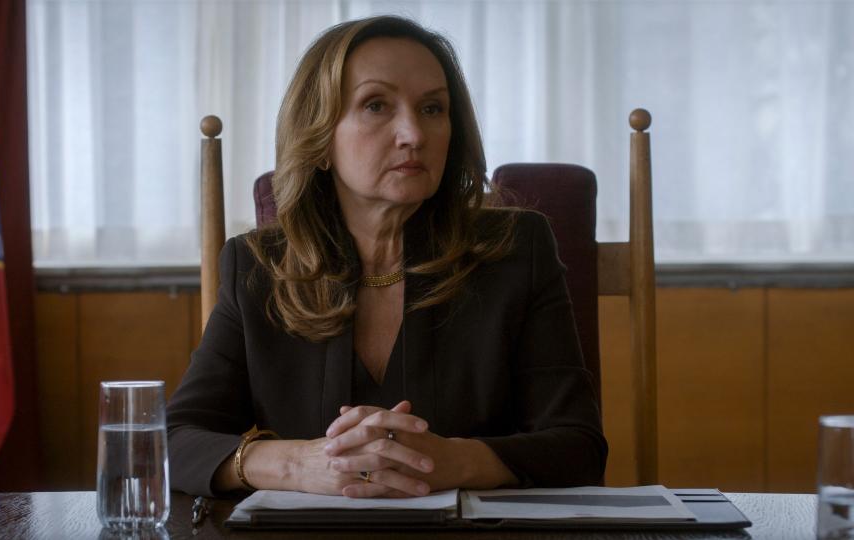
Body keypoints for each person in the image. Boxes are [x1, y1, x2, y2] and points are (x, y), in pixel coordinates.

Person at [167, 15, 607, 499]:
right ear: (319, 138)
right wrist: (298, 464)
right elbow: (175, 442)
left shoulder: (517, 249)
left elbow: (578, 448)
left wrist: (455, 461)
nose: (413, 134)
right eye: (376, 105)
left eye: (433, 108)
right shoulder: (255, 268)